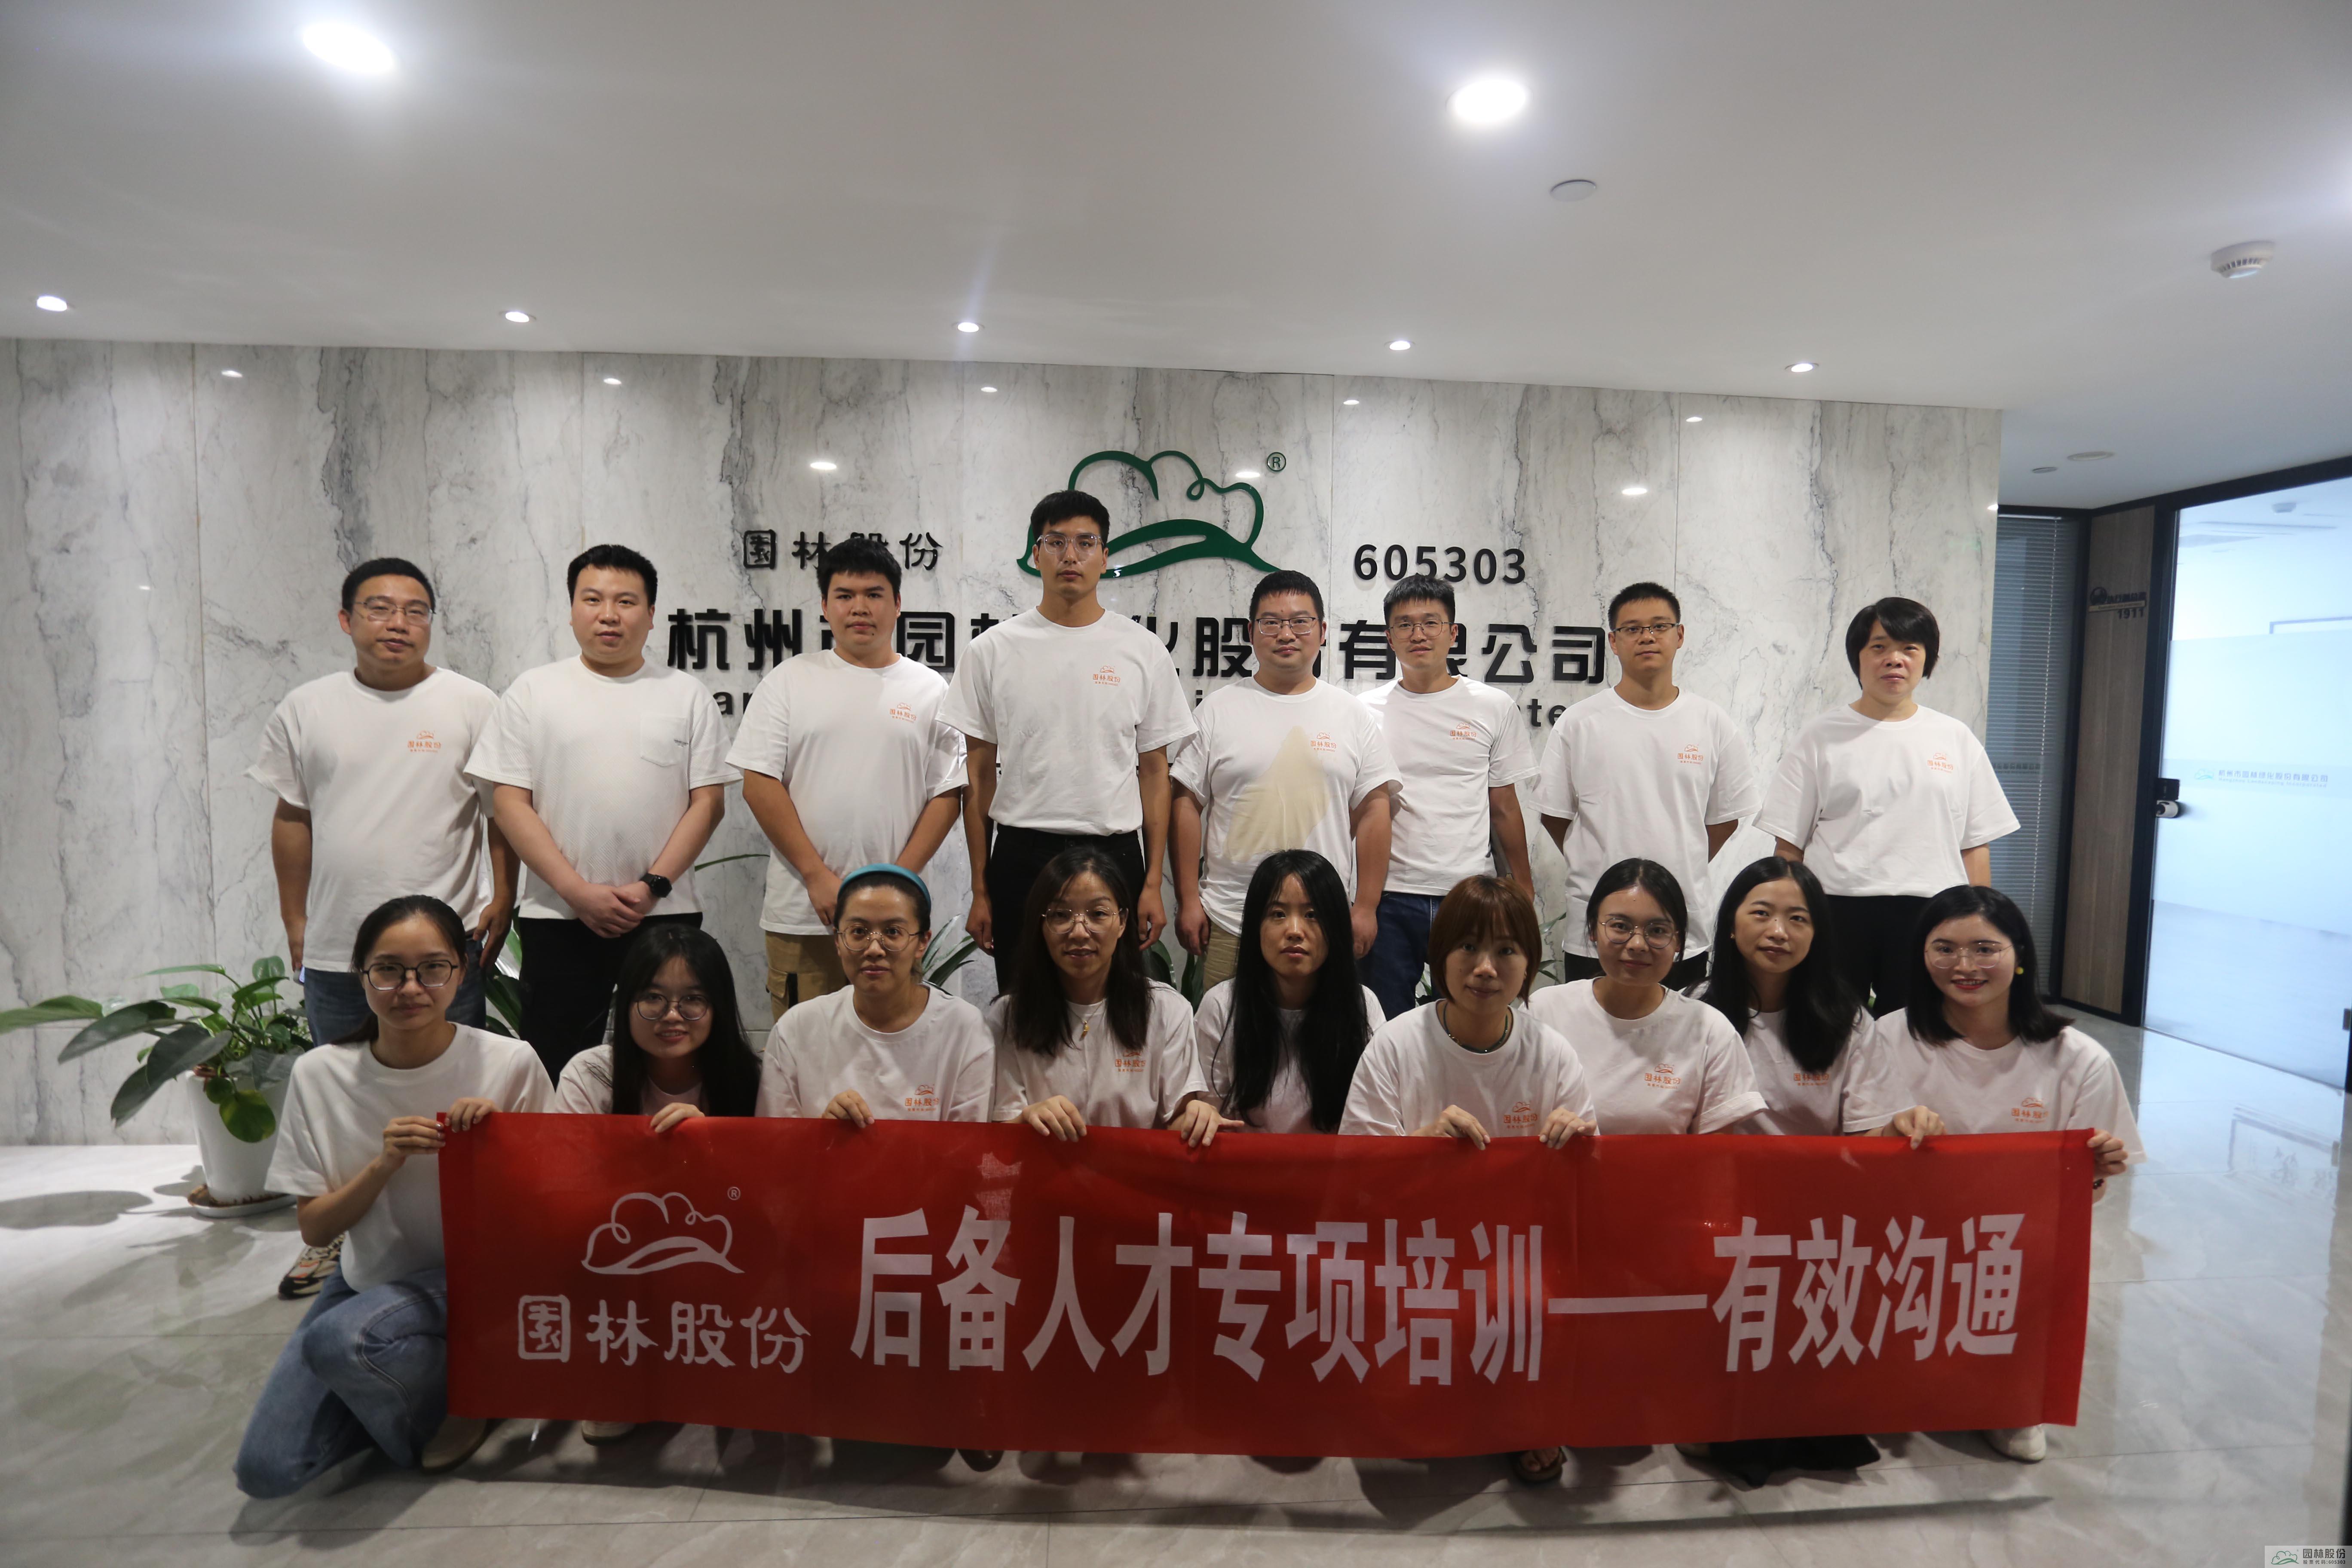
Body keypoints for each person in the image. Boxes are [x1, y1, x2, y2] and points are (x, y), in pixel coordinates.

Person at [249, 556, 514, 1298]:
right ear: (347, 620)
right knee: (343, 1098)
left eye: (415, 610)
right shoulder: (306, 707)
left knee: (452, 1095)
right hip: (341, 946)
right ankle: (336, 1235)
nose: (398, 624)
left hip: (443, 952)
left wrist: (504, 894)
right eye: (379, 608)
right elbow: (292, 816)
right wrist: (295, 917)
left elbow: (501, 813)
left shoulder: (471, 703)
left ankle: (459, 1234)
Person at [233, 895, 551, 1498]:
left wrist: (501, 1144)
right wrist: (383, 1166)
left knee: (343, 1342)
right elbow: (316, 1230)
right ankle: (463, 1383)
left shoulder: (509, 1062)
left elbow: (552, 1210)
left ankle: (471, 1392)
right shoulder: (321, 1073)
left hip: (485, 1279)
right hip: (369, 1281)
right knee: (269, 1470)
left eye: (432, 968)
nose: (410, 988)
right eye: (388, 970)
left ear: (462, 972)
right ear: (361, 975)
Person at [1846, 884, 2140, 1465]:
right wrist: (1891, 1132)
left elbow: (2086, 1191)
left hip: (2012, 1244)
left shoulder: (2079, 1058)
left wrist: (2094, 1172)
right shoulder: (1886, 1037)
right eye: (1944, 949)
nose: (1965, 966)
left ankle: (2011, 1394)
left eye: (1985, 948)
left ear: (2019, 954)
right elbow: (1854, 1153)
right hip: (1907, 1234)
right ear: (1921, 957)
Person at [1683, 856, 1939, 1485]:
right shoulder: (1694, 1011)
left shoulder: (1846, 1018)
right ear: (1731, 924)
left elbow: (1867, 1133)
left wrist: (1901, 1128)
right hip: (1718, 1214)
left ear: (1819, 933)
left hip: (1816, 1216)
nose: (1779, 931)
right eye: (1762, 913)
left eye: (1798, 919)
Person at [1338, 873, 1596, 1488]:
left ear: (1530, 965)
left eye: (1506, 950)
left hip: (1512, 1252)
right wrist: (1420, 1150)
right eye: (1468, 947)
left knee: (1546, 1286)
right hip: (1412, 1244)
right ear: (1439, 956)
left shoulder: (1553, 1053)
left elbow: (1583, 1193)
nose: (1485, 968)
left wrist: (1578, 1145)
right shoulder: (1395, 1045)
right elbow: (1354, 1178)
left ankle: (1527, 1416)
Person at [466, 544, 735, 1078]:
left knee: (670, 1058)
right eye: (592, 600)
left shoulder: (686, 695)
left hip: (663, 913)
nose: (609, 615)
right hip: (559, 915)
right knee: (556, 1061)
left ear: (652, 614)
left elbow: (708, 803)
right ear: (571, 610)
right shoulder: (532, 693)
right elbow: (510, 804)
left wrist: (652, 886)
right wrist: (576, 891)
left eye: (626, 602)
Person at [942, 491, 1196, 989]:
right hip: (1021, 853)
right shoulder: (992, 650)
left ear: (1105, 556)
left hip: (1115, 854)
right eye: (1056, 542)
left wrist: (1152, 884)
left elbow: (1154, 773)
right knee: (1023, 1003)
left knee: (1111, 1006)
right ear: (1036, 554)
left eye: (1085, 543)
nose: (1071, 556)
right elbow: (978, 776)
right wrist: (981, 888)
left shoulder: (1142, 651)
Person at [730, 535, 967, 1021]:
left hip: (897, 920)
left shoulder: (929, 690)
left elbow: (946, 794)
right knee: (805, 1047)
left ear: (897, 604)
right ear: (825, 606)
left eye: (874, 594)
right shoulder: (789, 681)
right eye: (845, 595)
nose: (860, 608)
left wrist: (896, 884)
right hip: (805, 911)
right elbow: (759, 783)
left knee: (895, 1041)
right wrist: (817, 877)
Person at [1755, 596, 2019, 1015]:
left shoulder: (1955, 738)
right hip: (1837, 908)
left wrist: (1980, 923)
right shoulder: (1820, 736)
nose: (1894, 659)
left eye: (1909, 648)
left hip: (1933, 912)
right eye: (1879, 647)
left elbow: (1975, 843)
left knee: (1919, 1031)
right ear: (1857, 658)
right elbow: (1789, 846)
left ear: (1927, 659)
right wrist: (1788, 917)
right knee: (1830, 1027)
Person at [553, 923, 760, 1447]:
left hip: (720, 1257)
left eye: (693, 1000)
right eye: (653, 998)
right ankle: (624, 1370)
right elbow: (564, 1191)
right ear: (626, 1003)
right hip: (620, 1258)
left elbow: (770, 1197)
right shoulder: (591, 1076)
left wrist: (714, 1149)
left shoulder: (750, 1078)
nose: (672, 1015)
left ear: (718, 1007)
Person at [1172, 570, 1401, 991]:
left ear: (1323, 632)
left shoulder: (1351, 715)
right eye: (1271, 622)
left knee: (1325, 1031)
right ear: (1251, 633)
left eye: (1300, 622)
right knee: (1226, 1029)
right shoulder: (1218, 710)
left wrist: (1366, 906)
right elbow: (1185, 802)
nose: (1286, 634)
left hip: (1322, 921)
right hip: (1231, 916)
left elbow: (1375, 810)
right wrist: (1188, 899)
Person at [1535, 581, 1758, 991]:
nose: (1647, 637)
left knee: (1677, 1032)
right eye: (1633, 629)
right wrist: (1595, 860)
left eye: (1659, 626)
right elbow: (1555, 815)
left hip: (1679, 924)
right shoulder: (1579, 723)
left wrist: (1681, 859)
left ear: (1680, 635)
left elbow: (1725, 819)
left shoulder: (1712, 723)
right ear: (1614, 642)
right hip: (1598, 927)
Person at [1358, 575, 1536, 1021]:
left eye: (1430, 623)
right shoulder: (1363, 712)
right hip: (1390, 894)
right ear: (1389, 638)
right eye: (1404, 625)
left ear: (1453, 633)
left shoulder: (1492, 706)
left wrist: (1524, 884)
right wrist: (1361, 901)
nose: (1418, 634)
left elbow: (1504, 806)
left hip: (1468, 891)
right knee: (1386, 1023)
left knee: (1469, 1018)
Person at [989, 847, 1229, 1146]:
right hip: (1044, 1174)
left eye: (1098, 914)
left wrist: (1197, 1118)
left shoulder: (1167, 1010)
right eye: (1061, 915)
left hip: (1135, 1174)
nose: (1079, 932)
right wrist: (1025, 1121)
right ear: (1042, 924)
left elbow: (1178, 1119)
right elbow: (999, 1136)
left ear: (1123, 922)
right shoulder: (1009, 1016)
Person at [1527, 859, 1767, 1135]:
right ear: (1593, 929)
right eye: (1620, 926)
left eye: (1657, 931)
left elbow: (1715, 1152)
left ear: (1679, 941)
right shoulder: (1544, 1011)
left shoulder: (1710, 1031)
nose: (1638, 944)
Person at [756, 864, 996, 1126]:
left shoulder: (963, 1030)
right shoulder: (796, 1030)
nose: (874, 949)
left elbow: (969, 1145)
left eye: (893, 932)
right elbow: (775, 1144)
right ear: (838, 941)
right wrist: (823, 1135)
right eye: (858, 932)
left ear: (922, 943)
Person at [1192, 849, 1385, 1134]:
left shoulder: (1363, 1005)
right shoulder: (1221, 1006)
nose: (1295, 931)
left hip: (1333, 1161)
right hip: (1247, 1161)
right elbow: (1211, 1115)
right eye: (1278, 914)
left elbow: (1374, 1118)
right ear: (1256, 926)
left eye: (1312, 915)